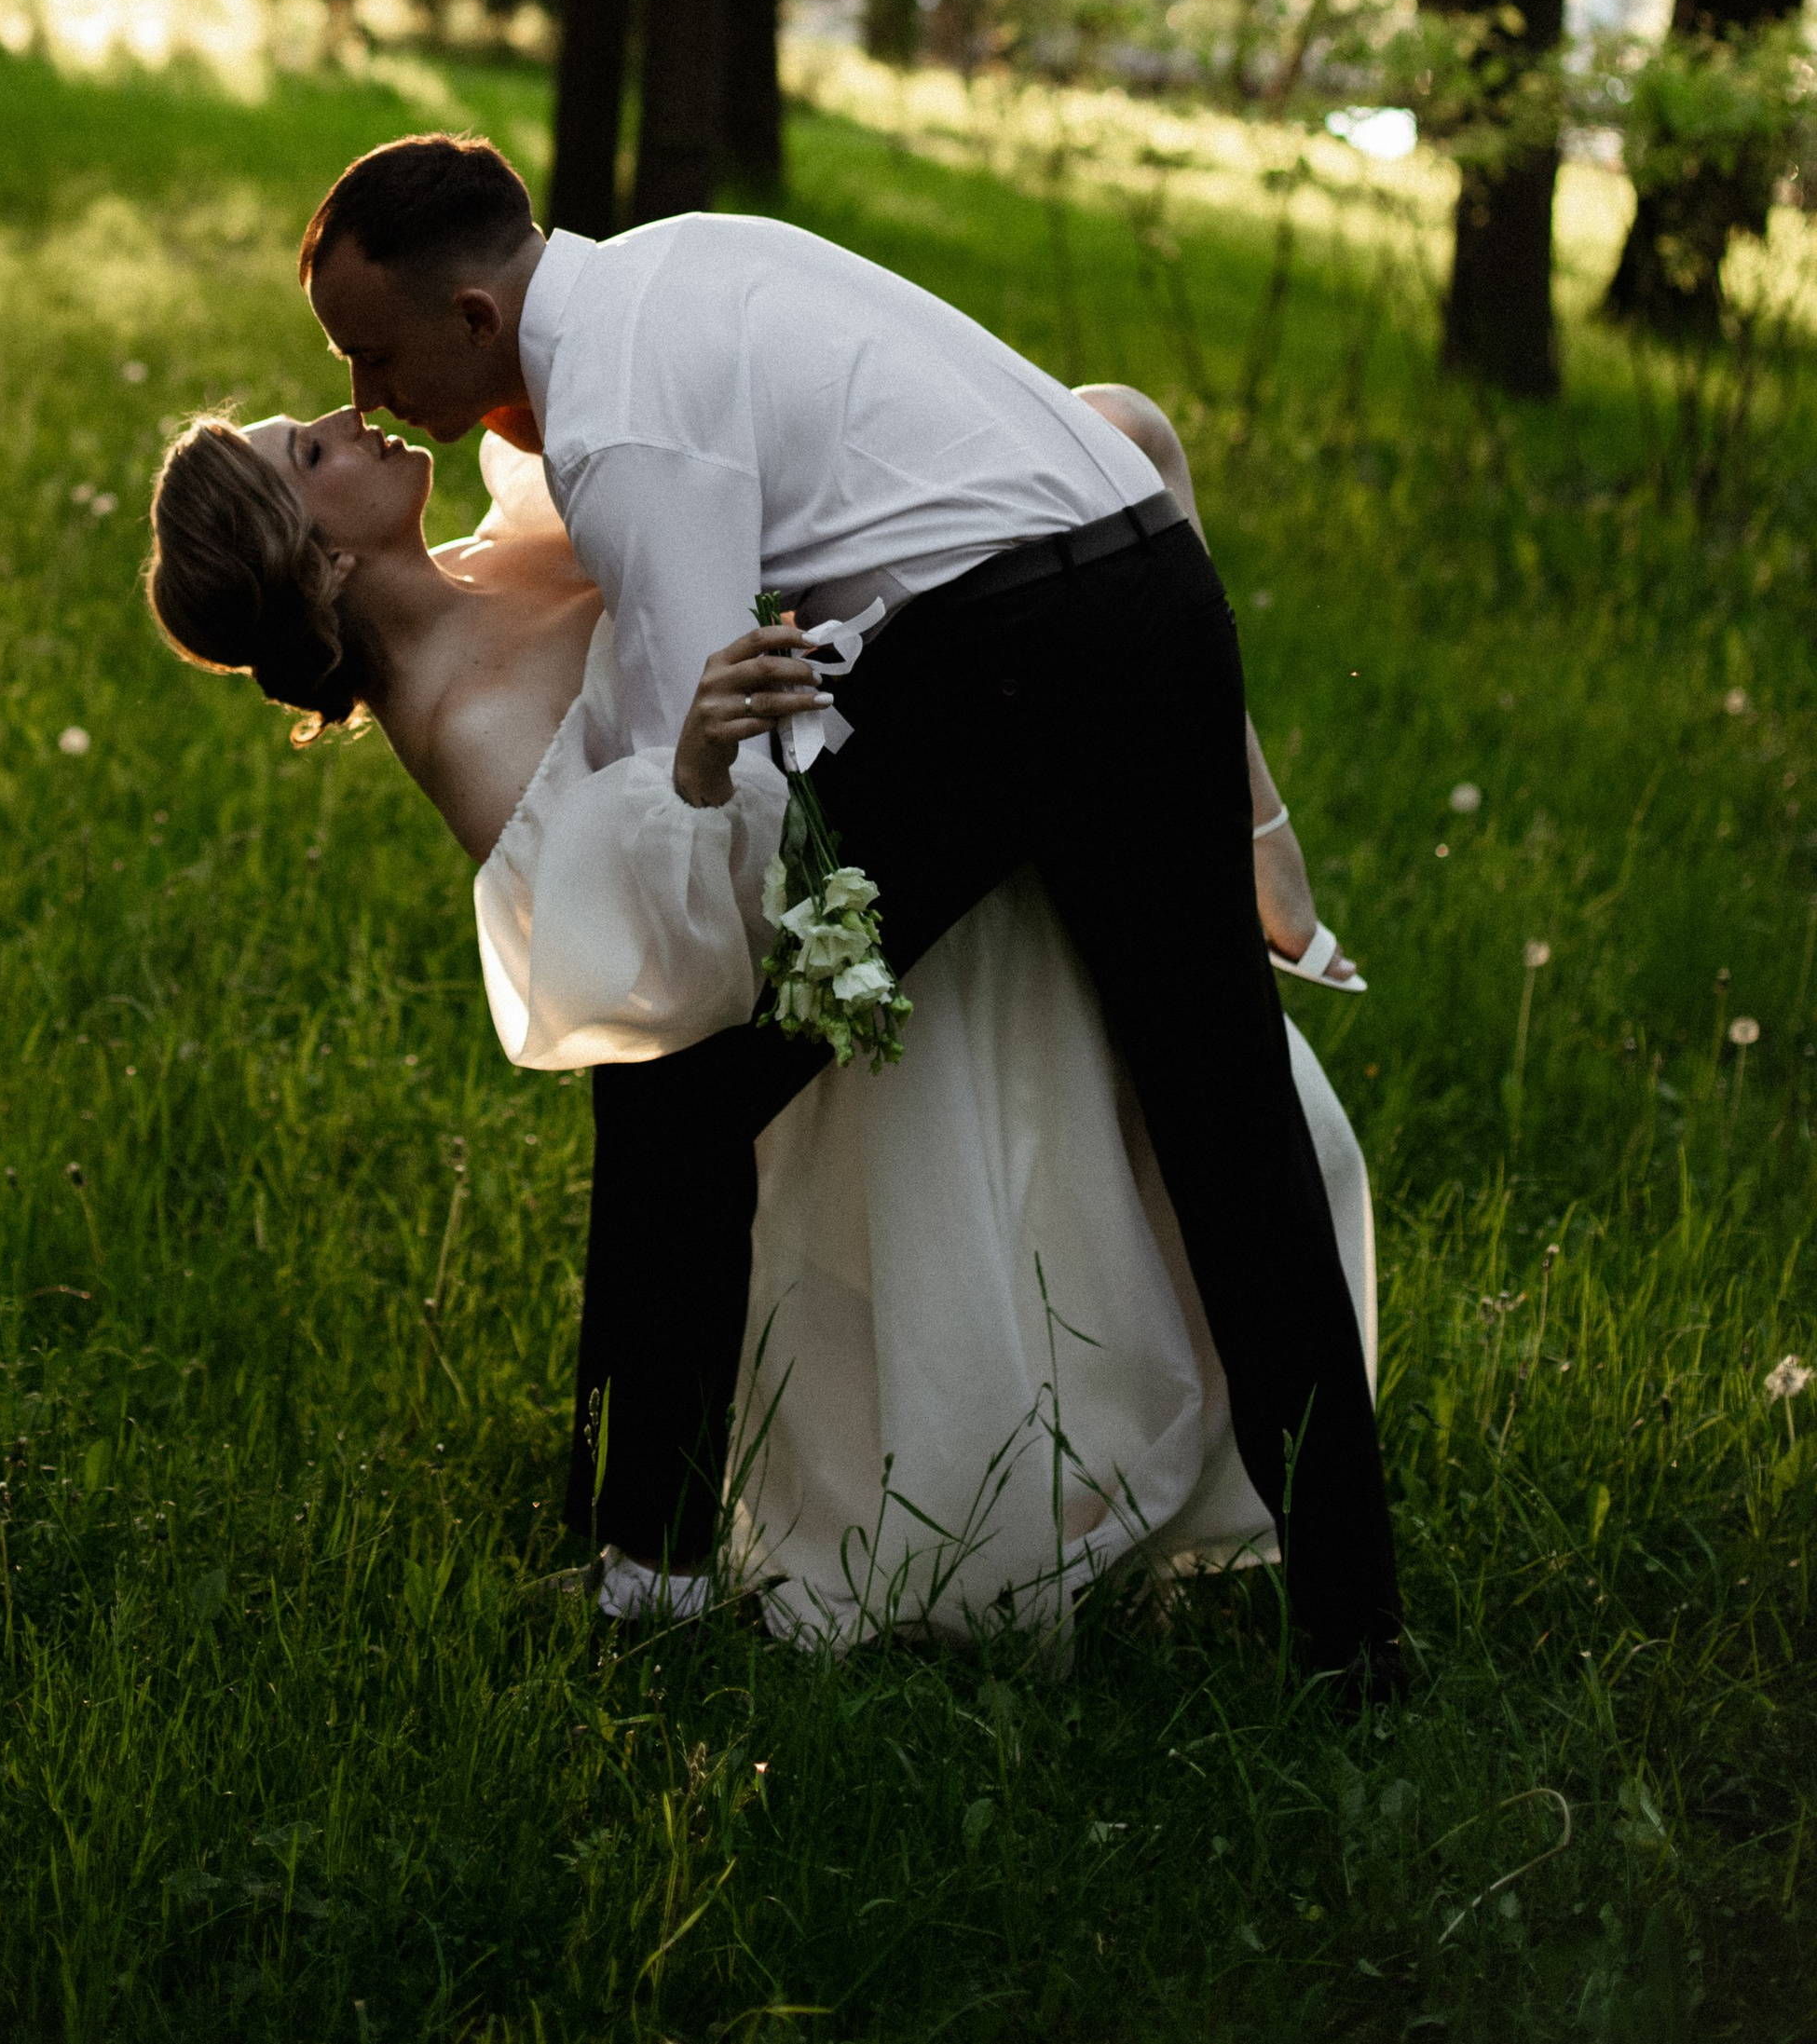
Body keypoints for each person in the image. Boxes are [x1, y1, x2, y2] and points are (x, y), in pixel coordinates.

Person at [278, 132, 1400, 1691]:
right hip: (1152, 588)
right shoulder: (677, 256)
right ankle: (1358, 1631)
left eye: (373, 351)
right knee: (1226, 1118)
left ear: (473, 317)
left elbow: (718, 785)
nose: (363, 393)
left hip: (1015, 652)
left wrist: (681, 958)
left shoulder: (614, 428)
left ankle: (650, 1574)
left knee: (677, 1089)